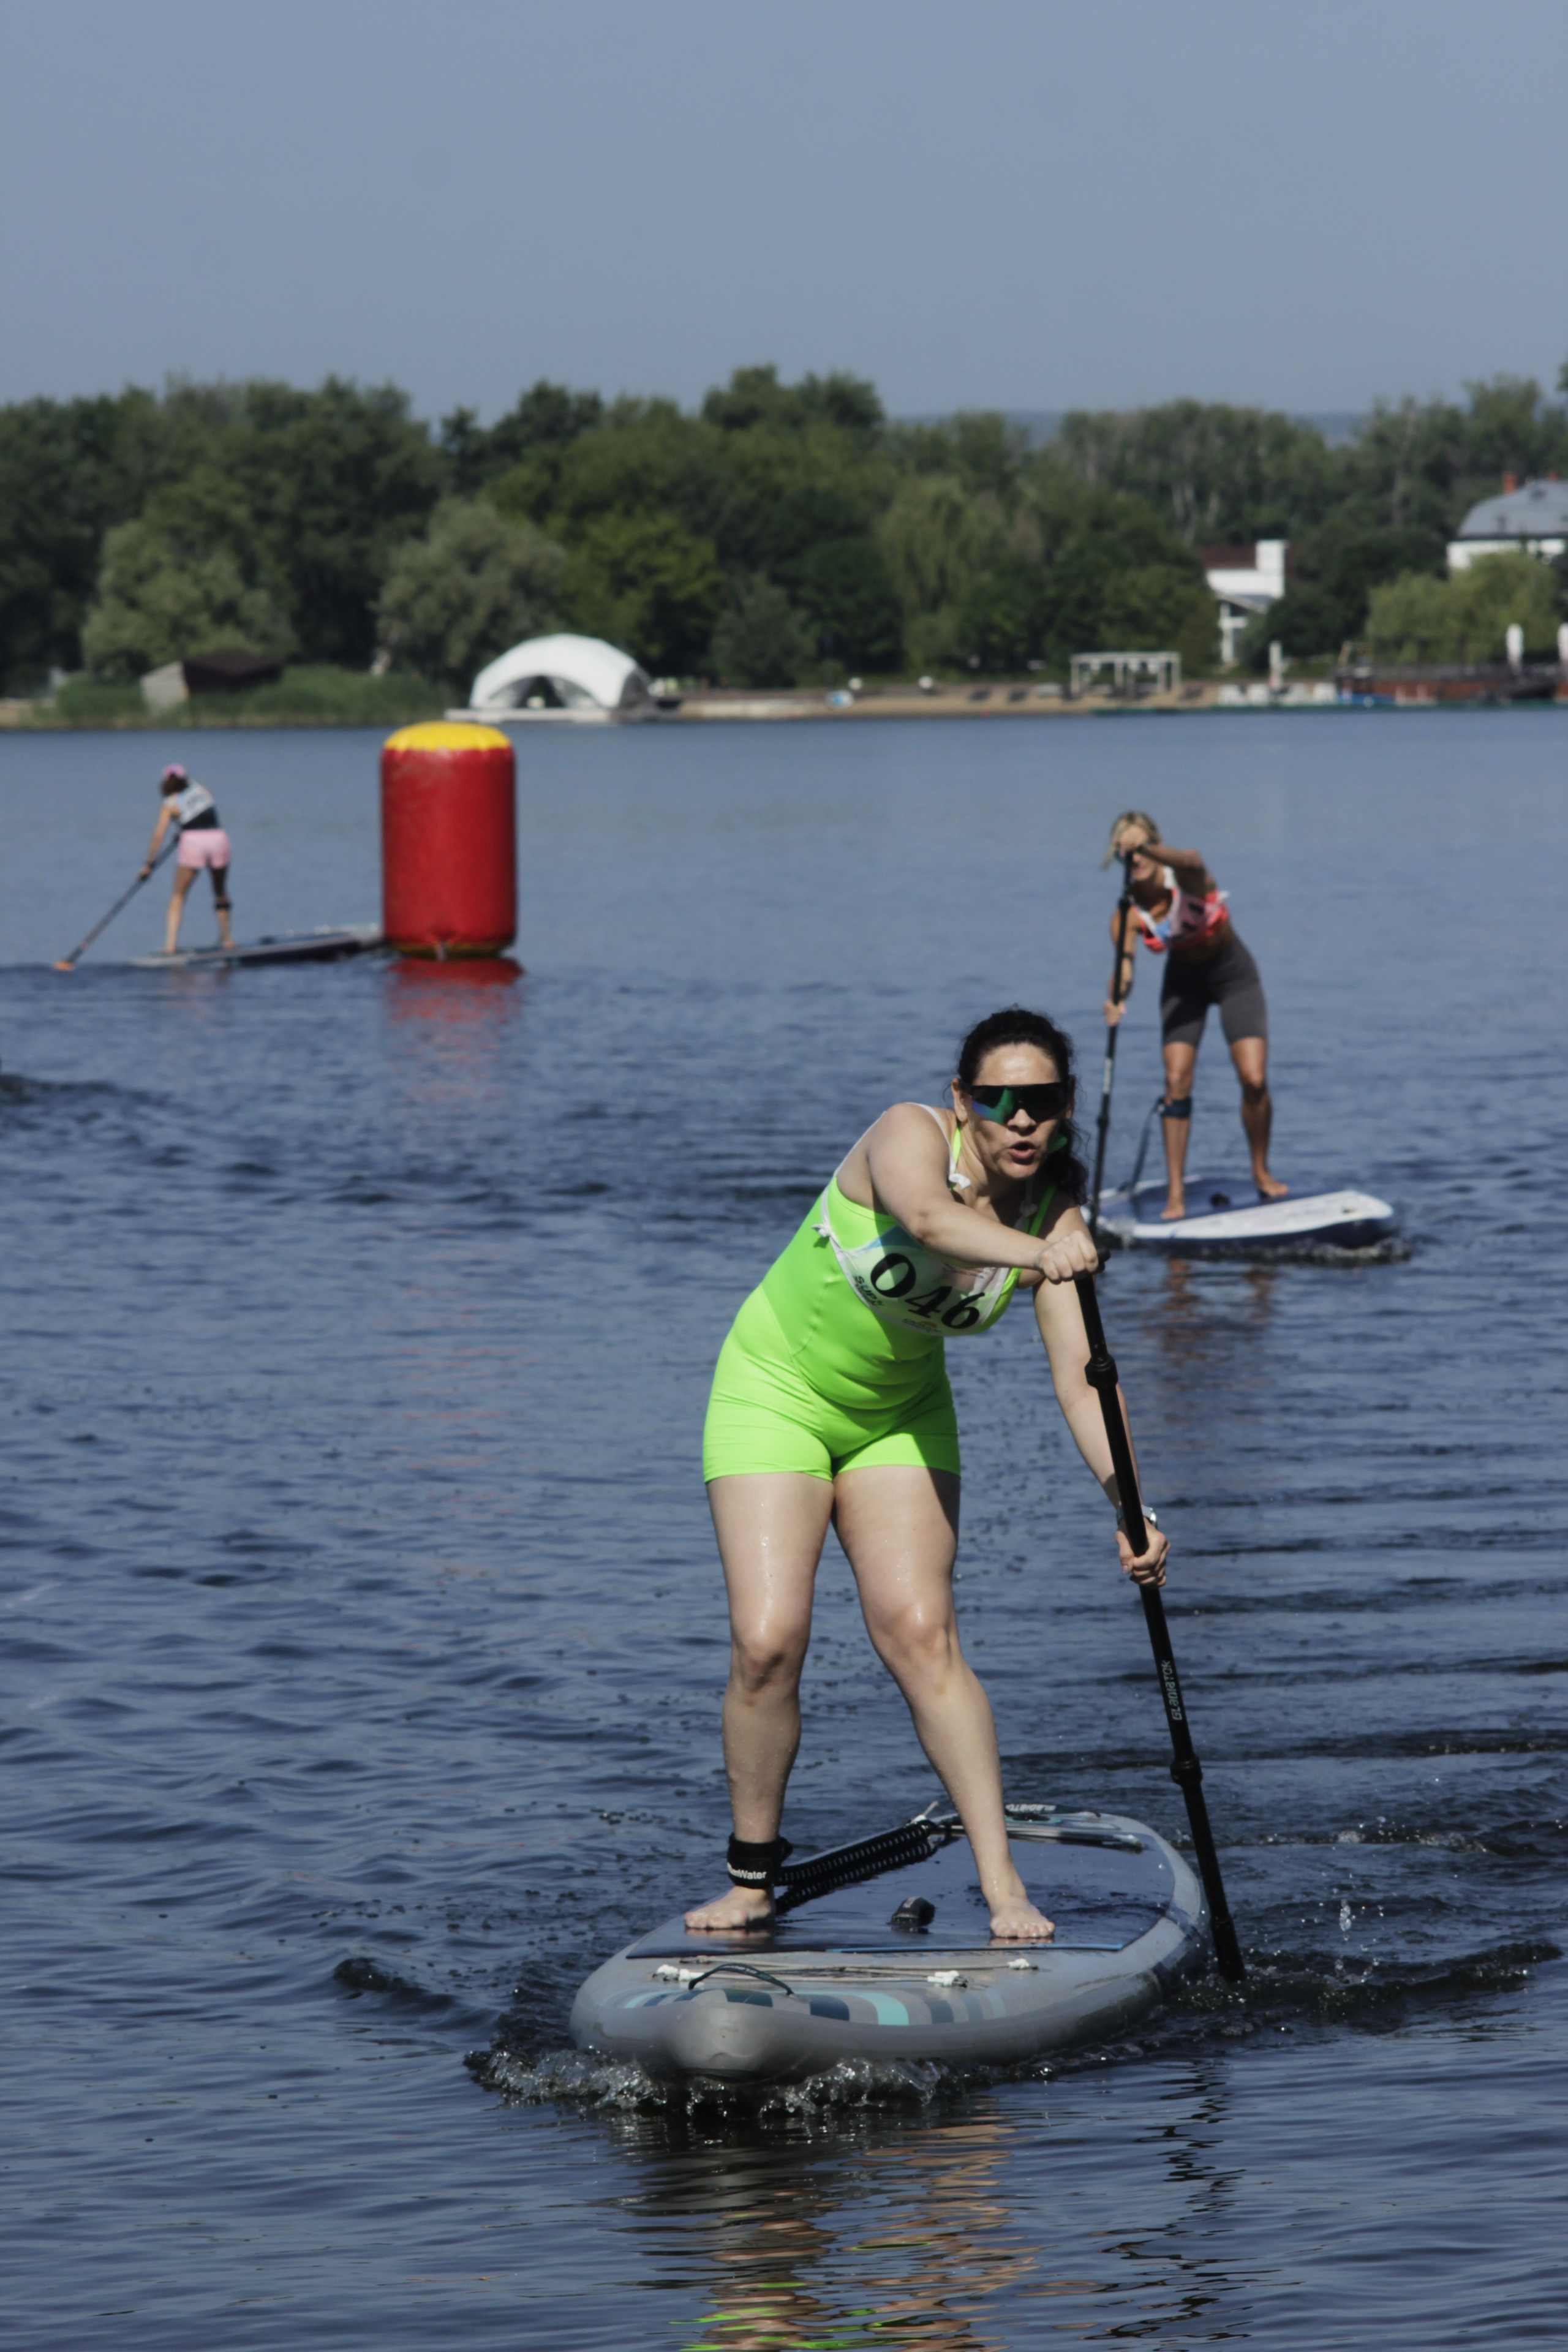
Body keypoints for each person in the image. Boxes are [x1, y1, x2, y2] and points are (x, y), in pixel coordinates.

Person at [685, 1006, 1170, 1942]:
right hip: (773, 1392)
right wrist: (1043, 1258)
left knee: (920, 1632)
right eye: (999, 1099)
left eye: (1041, 1102)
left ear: (1066, 1109)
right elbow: (925, 1219)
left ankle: (1003, 1889)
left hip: (897, 1419)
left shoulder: (1051, 1214)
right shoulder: (909, 1136)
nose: (1020, 1119)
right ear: (963, 1101)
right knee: (768, 1639)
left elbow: (1082, 1385)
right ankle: (751, 1881)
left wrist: (1132, 1507)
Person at [1102, 811, 1284, 1221]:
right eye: (1126, 848)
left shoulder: (1184, 876)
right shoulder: (1127, 914)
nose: (1136, 855)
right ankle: (1176, 1194)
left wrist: (1148, 847)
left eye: (1142, 845)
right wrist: (1116, 997)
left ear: (1155, 845)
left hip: (1234, 974)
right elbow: (1125, 967)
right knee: (1175, 1081)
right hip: (1184, 984)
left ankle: (1261, 1170)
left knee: (1254, 1080)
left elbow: (1191, 860)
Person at [140, 764, 235, 956]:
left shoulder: (169, 803)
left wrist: (148, 865)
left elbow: (158, 836)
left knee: (178, 896)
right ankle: (227, 940)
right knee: (220, 891)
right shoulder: (201, 789)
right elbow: (203, 814)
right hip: (218, 838)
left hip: (193, 843)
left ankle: (170, 946)